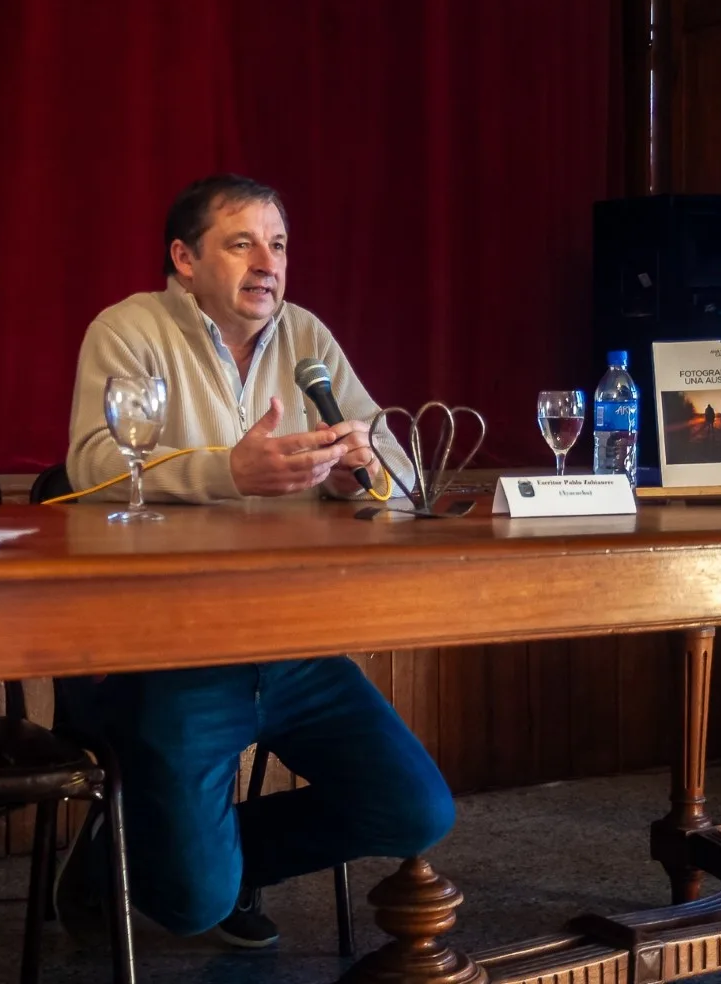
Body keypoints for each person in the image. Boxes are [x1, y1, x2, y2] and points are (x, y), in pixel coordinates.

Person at [54, 174, 453, 949]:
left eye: (278, 245)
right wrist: (228, 472)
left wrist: (359, 474)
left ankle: (166, 850)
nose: (267, 263)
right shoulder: (130, 328)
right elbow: (92, 466)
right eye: (242, 244)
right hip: (177, 649)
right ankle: (148, 861)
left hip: (294, 640)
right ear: (185, 258)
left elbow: (396, 469)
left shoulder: (307, 338)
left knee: (417, 811)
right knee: (193, 908)